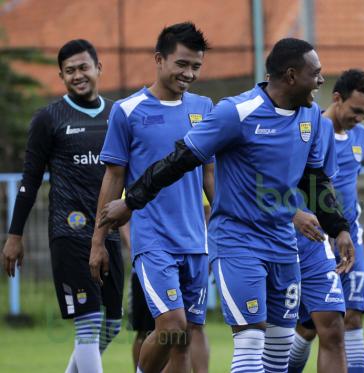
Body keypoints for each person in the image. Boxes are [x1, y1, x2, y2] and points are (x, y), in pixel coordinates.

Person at [95, 37, 355, 373]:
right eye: (315, 73)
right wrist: (131, 202)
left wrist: (339, 228)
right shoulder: (236, 112)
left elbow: (314, 177)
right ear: (291, 76)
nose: (322, 80)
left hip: (283, 245)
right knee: (246, 340)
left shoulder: (313, 119)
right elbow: (181, 159)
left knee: (278, 348)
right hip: (238, 243)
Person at [89, 22, 215, 373]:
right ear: (159, 60)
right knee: (172, 327)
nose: (188, 73)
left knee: (185, 338)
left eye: (196, 67)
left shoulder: (204, 108)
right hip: (153, 241)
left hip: (196, 241)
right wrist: (98, 241)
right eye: (182, 64)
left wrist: (228, 221)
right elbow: (113, 179)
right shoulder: (127, 111)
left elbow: (210, 175)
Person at [1, 39, 122, 373]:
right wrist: (15, 235)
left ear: (99, 68)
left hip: (107, 233)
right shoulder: (49, 118)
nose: (78, 75)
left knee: (112, 325)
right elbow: (29, 180)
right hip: (68, 233)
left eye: (84, 67)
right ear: (61, 76)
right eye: (70, 71)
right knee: (88, 323)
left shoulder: (119, 115)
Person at [288, 68, 364, 373]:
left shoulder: (361, 136)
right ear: (337, 99)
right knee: (310, 324)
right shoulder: (311, 130)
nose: (360, 118)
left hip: (350, 238)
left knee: (351, 316)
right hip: (313, 239)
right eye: (355, 110)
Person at [123, 192, 212, 371]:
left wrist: (208, 248)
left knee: (186, 334)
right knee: (150, 329)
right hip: (152, 258)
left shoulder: (195, 169)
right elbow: (123, 208)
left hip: (191, 255)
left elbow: (208, 209)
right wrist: (133, 246)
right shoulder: (141, 170)